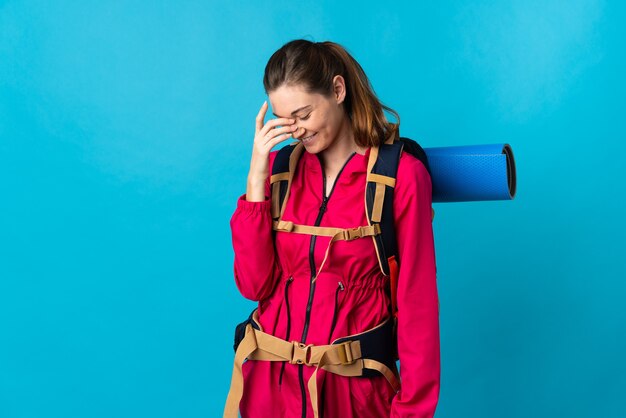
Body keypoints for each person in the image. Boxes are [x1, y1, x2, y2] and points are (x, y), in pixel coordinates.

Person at [226, 39, 440, 418]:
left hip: (353, 397)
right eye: (284, 119)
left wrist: (411, 412)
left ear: (338, 90)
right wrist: (257, 176)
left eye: (303, 114)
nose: (296, 131)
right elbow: (254, 286)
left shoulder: (401, 176)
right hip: (269, 393)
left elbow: (417, 305)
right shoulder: (280, 172)